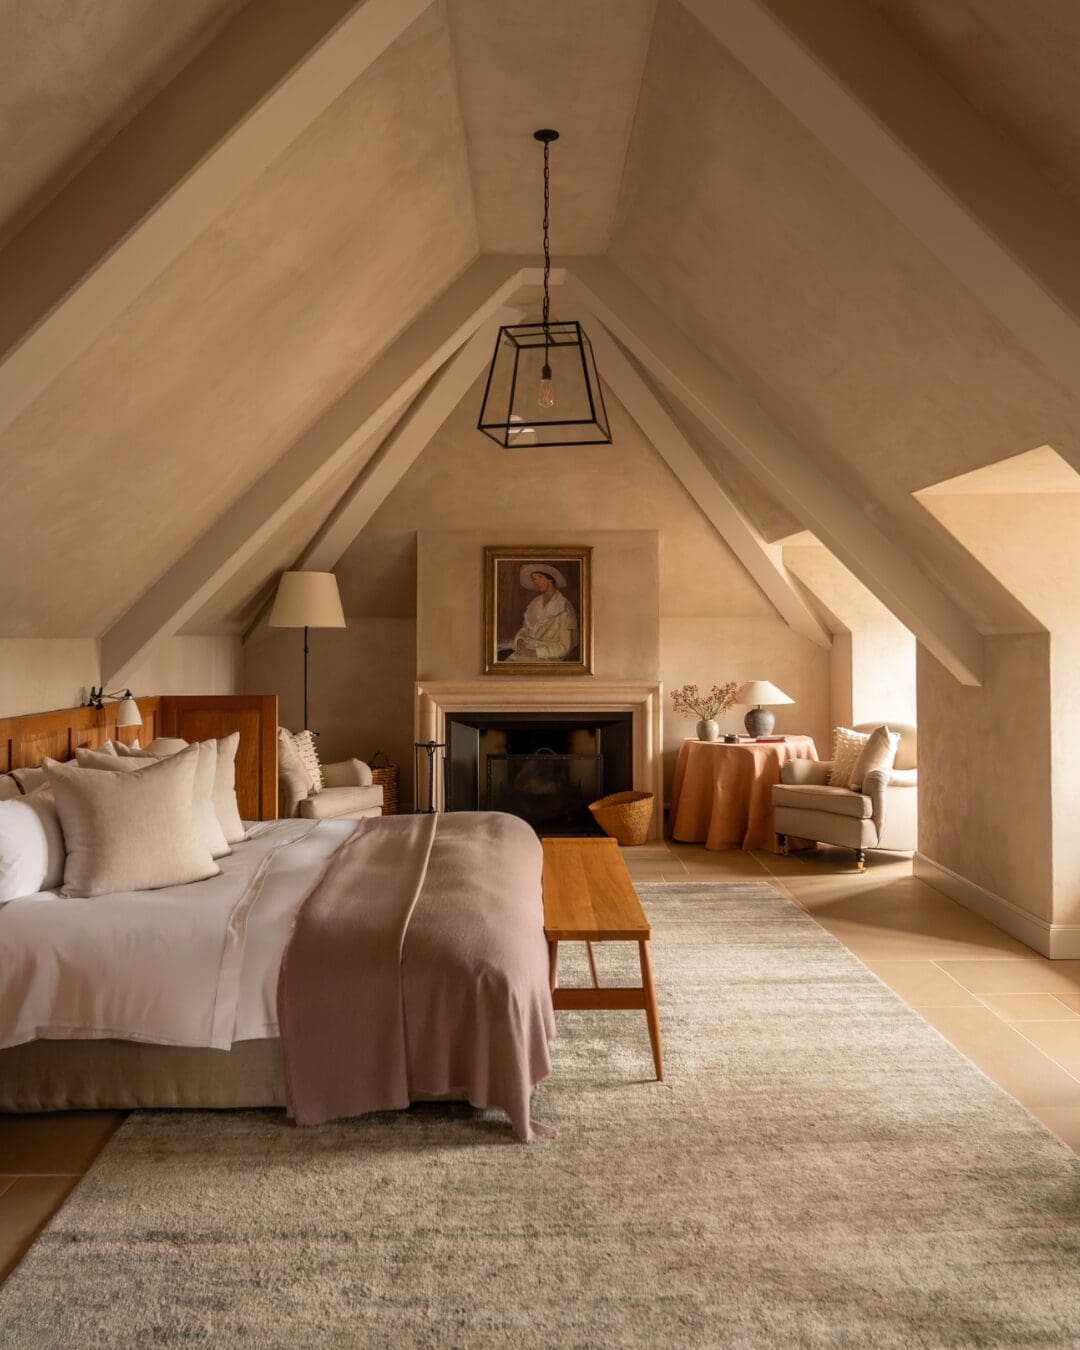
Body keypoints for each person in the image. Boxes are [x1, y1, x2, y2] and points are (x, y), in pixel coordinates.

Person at [503, 564, 578, 661]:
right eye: (534, 579)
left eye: (540, 577)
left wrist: (534, 653)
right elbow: (525, 629)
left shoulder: (563, 607)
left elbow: (564, 647)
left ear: (550, 579)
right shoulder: (534, 604)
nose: (536, 582)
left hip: (548, 657)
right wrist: (520, 640)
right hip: (527, 649)